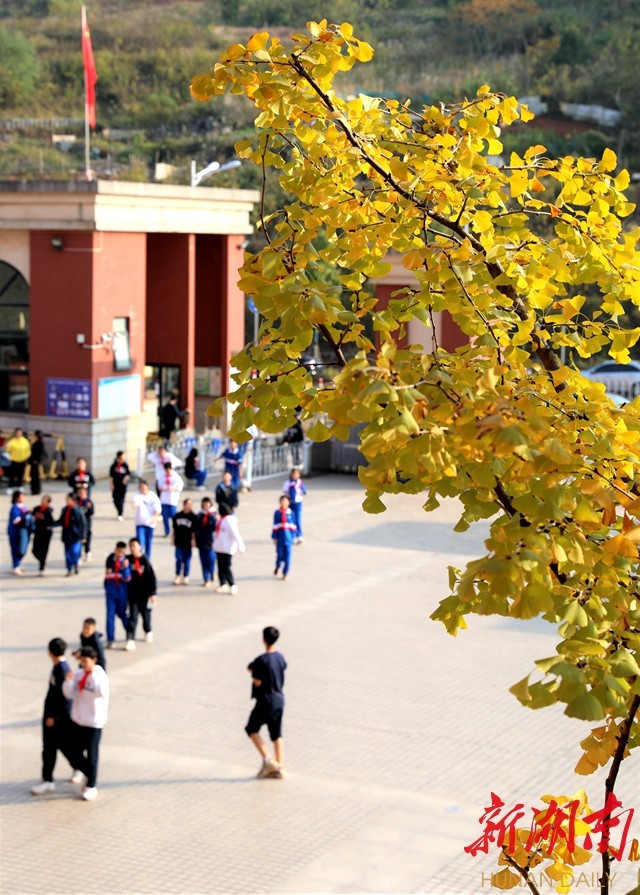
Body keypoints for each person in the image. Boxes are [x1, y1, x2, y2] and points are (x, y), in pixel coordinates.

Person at [31, 638, 80, 796]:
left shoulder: (62, 669)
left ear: (49, 652)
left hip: (57, 719)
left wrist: (53, 716)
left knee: (52, 748)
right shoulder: (60, 667)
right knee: (61, 746)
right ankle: (77, 768)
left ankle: (48, 780)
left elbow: (63, 696)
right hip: (57, 717)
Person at [62, 646, 109, 801]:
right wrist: (68, 682)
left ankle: (91, 785)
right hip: (78, 720)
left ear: (94, 660)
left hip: (93, 723)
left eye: (86, 661)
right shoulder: (79, 674)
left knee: (92, 755)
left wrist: (93, 675)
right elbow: (70, 693)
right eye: (82, 661)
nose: (83, 664)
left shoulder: (99, 676)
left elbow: (102, 692)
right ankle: (87, 772)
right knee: (72, 750)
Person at [245, 626, 287, 779]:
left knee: (251, 728)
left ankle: (269, 761)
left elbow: (257, 682)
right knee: (277, 733)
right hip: (279, 700)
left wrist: (252, 673)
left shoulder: (261, 660)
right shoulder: (281, 657)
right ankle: (279, 765)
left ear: (263, 639)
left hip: (265, 701)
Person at [125, 538, 157, 650]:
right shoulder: (127, 560)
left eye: (134, 545)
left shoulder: (145, 560)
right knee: (133, 616)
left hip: (145, 594)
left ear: (140, 547)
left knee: (146, 615)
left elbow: (151, 577)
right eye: (131, 546)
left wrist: (153, 593)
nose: (132, 548)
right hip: (133, 594)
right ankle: (130, 638)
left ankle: (148, 631)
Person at [213, 503, 245, 595]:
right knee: (220, 567)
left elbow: (236, 534)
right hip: (219, 548)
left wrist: (240, 546)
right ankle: (222, 584)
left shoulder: (229, 521)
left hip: (227, 549)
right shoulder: (220, 520)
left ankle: (232, 584)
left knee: (226, 567)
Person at [104, 541, 131, 648]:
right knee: (110, 616)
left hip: (121, 593)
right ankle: (111, 639)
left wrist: (125, 568)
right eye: (118, 551)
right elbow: (107, 575)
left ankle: (129, 632)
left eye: (122, 552)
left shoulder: (125, 562)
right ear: (115, 550)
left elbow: (127, 577)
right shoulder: (110, 560)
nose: (120, 554)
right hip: (110, 593)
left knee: (122, 613)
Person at [55, 493, 86, 576]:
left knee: (74, 552)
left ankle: (75, 564)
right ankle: (69, 569)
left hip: (76, 535)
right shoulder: (64, 509)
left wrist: (83, 535)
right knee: (67, 553)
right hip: (66, 534)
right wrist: (51, 525)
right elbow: (61, 520)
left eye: (68, 499)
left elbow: (83, 523)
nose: (67, 501)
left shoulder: (78, 510)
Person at [131, 479, 161, 558]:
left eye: (144, 487)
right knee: (140, 541)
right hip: (140, 523)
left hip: (150, 523)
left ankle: (147, 558)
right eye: (141, 487)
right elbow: (134, 502)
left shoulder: (153, 496)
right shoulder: (137, 495)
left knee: (149, 541)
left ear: (147, 487)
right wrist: (134, 505)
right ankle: (139, 556)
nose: (142, 489)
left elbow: (157, 509)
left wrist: (155, 517)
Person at [7, 489, 32, 575]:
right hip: (15, 531)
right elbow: (16, 520)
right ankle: (16, 565)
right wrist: (25, 515)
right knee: (16, 548)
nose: (22, 498)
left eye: (23, 496)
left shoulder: (23, 506)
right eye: (20, 496)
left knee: (22, 548)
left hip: (23, 531)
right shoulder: (14, 508)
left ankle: (18, 563)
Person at [172, 497, 197, 585]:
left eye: (190, 504)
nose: (189, 506)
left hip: (188, 541)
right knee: (179, 559)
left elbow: (194, 530)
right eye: (187, 504)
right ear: (184, 504)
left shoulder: (193, 517)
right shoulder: (177, 515)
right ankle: (177, 575)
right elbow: (174, 528)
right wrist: (172, 538)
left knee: (187, 560)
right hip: (179, 541)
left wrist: (194, 540)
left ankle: (186, 576)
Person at [272, 494, 297, 581]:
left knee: (288, 557)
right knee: (280, 555)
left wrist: (294, 537)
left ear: (289, 503)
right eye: (282, 501)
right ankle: (278, 566)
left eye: (285, 501)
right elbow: (275, 525)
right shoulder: (277, 513)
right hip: (280, 537)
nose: (284, 503)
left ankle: (285, 573)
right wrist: (274, 537)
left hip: (288, 538)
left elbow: (293, 526)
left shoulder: (291, 513)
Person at [195, 497, 216, 587]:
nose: (206, 507)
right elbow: (196, 528)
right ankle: (206, 579)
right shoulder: (199, 515)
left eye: (207, 505)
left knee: (211, 559)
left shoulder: (213, 516)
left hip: (211, 542)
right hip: (201, 541)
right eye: (204, 505)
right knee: (203, 561)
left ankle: (212, 571)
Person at [282, 468, 307, 544]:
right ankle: (292, 536)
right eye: (294, 473)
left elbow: (304, 491)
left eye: (297, 474)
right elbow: (285, 492)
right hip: (290, 503)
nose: (295, 475)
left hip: (298, 503)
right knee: (290, 519)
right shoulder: (287, 483)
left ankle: (299, 535)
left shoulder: (299, 483)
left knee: (298, 519)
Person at [32, 494, 54, 576]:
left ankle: (42, 566)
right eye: (42, 499)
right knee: (34, 550)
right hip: (37, 532)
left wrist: (49, 527)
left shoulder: (48, 510)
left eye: (44, 500)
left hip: (46, 534)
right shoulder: (37, 509)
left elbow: (51, 522)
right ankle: (41, 560)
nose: (42, 501)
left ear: (48, 502)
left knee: (44, 550)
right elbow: (32, 516)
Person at [159, 461, 184, 536]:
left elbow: (180, 487)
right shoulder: (162, 476)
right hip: (164, 500)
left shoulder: (176, 477)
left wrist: (173, 488)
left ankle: (175, 531)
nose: (167, 471)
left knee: (173, 517)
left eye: (168, 469)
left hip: (172, 500)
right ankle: (167, 531)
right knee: (165, 517)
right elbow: (159, 486)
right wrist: (163, 488)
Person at [5, 427, 31, 492]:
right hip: (14, 460)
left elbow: (28, 450)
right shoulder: (12, 441)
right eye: (17, 433)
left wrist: (27, 457)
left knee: (20, 474)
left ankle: (19, 486)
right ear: (15, 433)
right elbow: (7, 450)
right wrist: (6, 446)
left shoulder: (25, 441)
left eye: (20, 433)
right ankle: (10, 487)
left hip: (22, 461)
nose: (19, 434)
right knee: (12, 475)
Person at [75, 485, 94, 564]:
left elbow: (92, 512)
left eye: (82, 493)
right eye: (79, 493)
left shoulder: (88, 502)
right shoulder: (76, 502)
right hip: (78, 525)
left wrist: (88, 508)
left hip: (87, 525)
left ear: (86, 494)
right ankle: (78, 556)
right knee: (78, 541)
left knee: (87, 540)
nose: (80, 495)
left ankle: (87, 553)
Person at [109, 451, 130, 521]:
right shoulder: (113, 466)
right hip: (115, 485)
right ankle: (119, 510)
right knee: (115, 499)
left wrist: (125, 479)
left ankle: (120, 513)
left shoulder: (125, 465)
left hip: (122, 486)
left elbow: (128, 474)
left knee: (121, 499)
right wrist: (111, 484)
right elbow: (111, 476)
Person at [29, 430, 47, 496]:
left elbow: (39, 454)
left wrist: (36, 460)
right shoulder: (37, 442)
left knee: (35, 476)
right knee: (34, 476)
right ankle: (34, 489)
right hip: (34, 462)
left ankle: (36, 490)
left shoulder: (39, 443)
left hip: (36, 463)